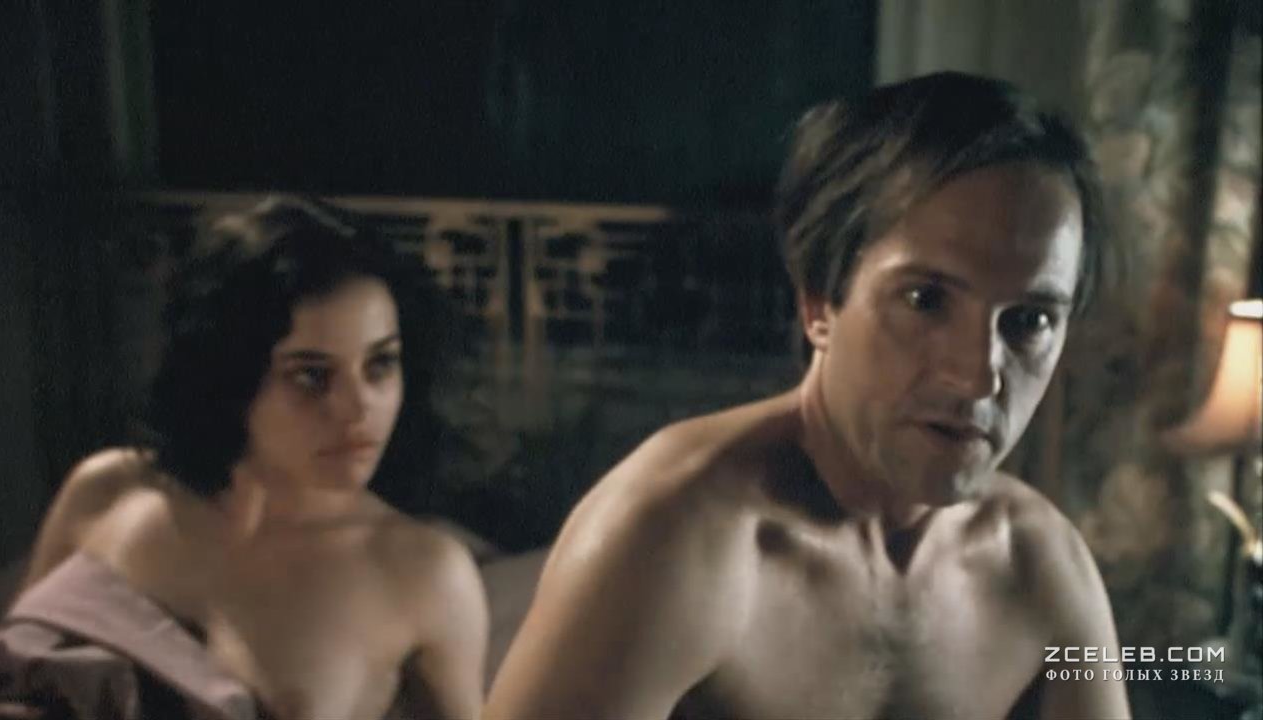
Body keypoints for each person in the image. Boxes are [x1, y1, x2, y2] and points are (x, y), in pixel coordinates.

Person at [484, 72, 1130, 720]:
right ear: (819, 302)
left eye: (1029, 320)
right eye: (925, 300)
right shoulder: (672, 535)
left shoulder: (1040, 565)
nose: (978, 377)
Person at [0, 198, 488, 720]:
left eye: (380, 364)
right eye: (312, 375)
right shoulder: (108, 491)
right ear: (229, 377)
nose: (360, 407)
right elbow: (10, 676)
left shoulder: (423, 573)